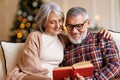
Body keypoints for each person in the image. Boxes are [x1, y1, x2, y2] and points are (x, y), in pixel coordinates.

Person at [6, 2, 112, 80]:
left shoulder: (63, 38)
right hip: (32, 76)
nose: (58, 26)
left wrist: (102, 32)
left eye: (60, 21)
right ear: (43, 23)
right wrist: (48, 77)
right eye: (53, 22)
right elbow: (29, 65)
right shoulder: (35, 37)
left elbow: (79, 35)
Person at [60, 7, 120, 80]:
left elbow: (115, 66)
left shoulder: (102, 38)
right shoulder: (66, 50)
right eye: (70, 26)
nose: (74, 31)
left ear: (88, 23)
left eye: (79, 26)